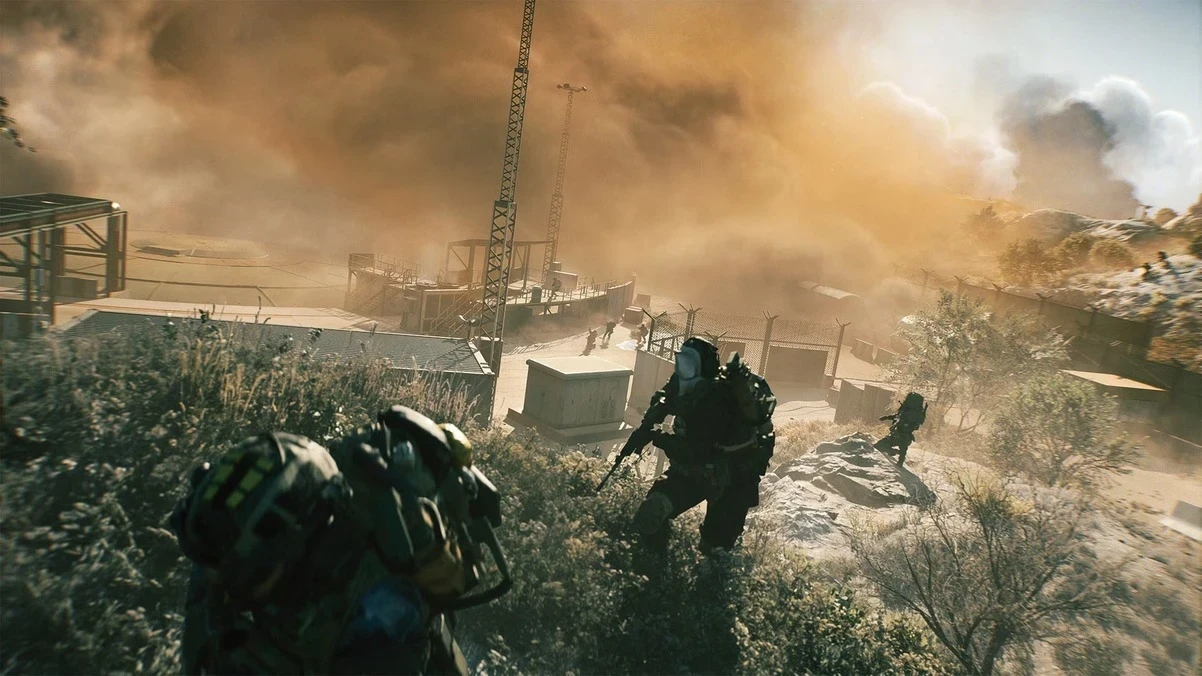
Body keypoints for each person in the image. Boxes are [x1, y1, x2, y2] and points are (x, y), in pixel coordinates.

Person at [168, 405, 510, 675]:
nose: (221, 581)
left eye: (242, 575)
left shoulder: (379, 614)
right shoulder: (241, 557)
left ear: (294, 547)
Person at [625, 337, 776, 556]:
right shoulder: (684, 383)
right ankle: (654, 568)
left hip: (733, 477)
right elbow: (665, 396)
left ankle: (714, 575)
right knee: (652, 513)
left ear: (702, 368)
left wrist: (657, 437)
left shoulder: (719, 399)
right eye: (681, 362)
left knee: (715, 550)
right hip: (694, 471)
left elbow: (696, 452)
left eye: (688, 364)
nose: (682, 369)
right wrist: (650, 420)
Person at [874, 392, 928, 466]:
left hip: (904, 437)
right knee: (878, 446)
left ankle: (893, 452)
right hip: (896, 435)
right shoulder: (906, 410)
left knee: (899, 451)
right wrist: (886, 417)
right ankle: (892, 451)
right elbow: (897, 416)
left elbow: (912, 424)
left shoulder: (915, 414)